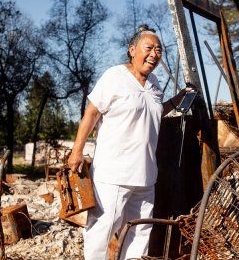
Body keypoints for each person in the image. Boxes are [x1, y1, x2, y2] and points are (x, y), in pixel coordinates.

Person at [68, 24, 191, 260]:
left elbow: (152, 112)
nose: (155, 54)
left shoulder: (154, 83)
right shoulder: (114, 76)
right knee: (102, 232)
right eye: (149, 48)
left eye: (159, 49)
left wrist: (177, 101)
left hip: (146, 175)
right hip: (114, 173)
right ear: (132, 50)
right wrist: (77, 151)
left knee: (140, 233)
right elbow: (91, 113)